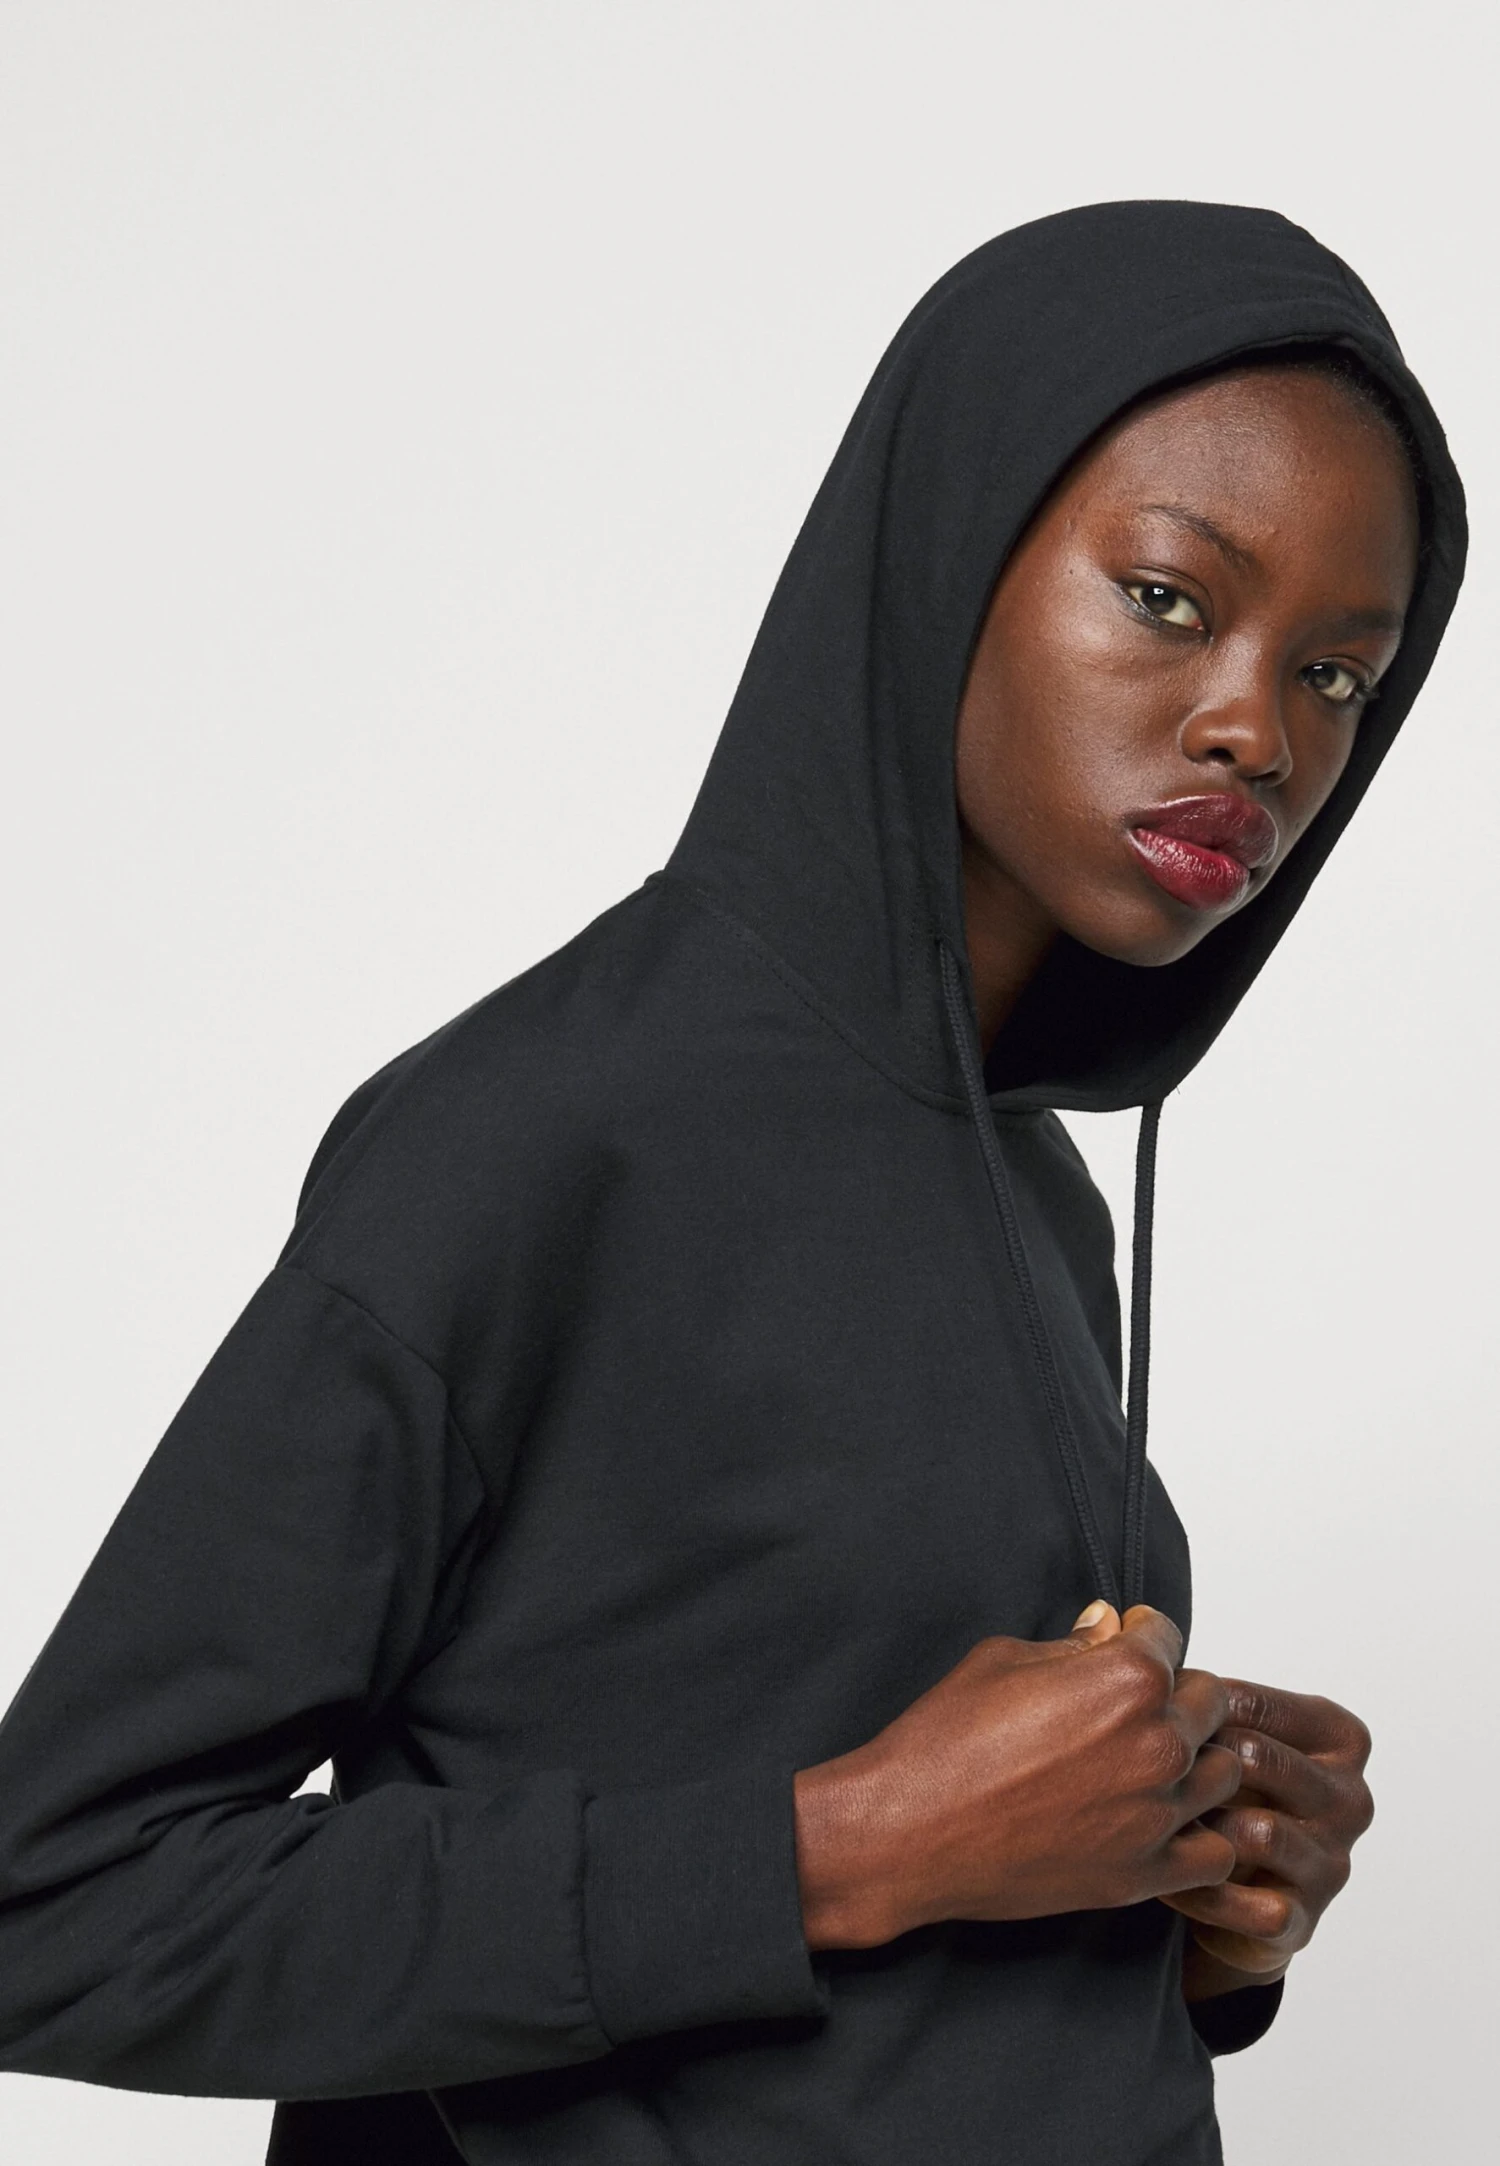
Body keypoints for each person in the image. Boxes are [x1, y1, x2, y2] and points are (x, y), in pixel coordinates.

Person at [0, 200, 1467, 2166]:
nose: (1257, 729)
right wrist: (842, 1848)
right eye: (1170, 599)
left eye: (1342, 677)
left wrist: (1198, 1906)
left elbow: (879, 1972)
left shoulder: (1034, 1192)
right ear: (947, 555)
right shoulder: (544, 1135)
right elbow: (60, 1902)